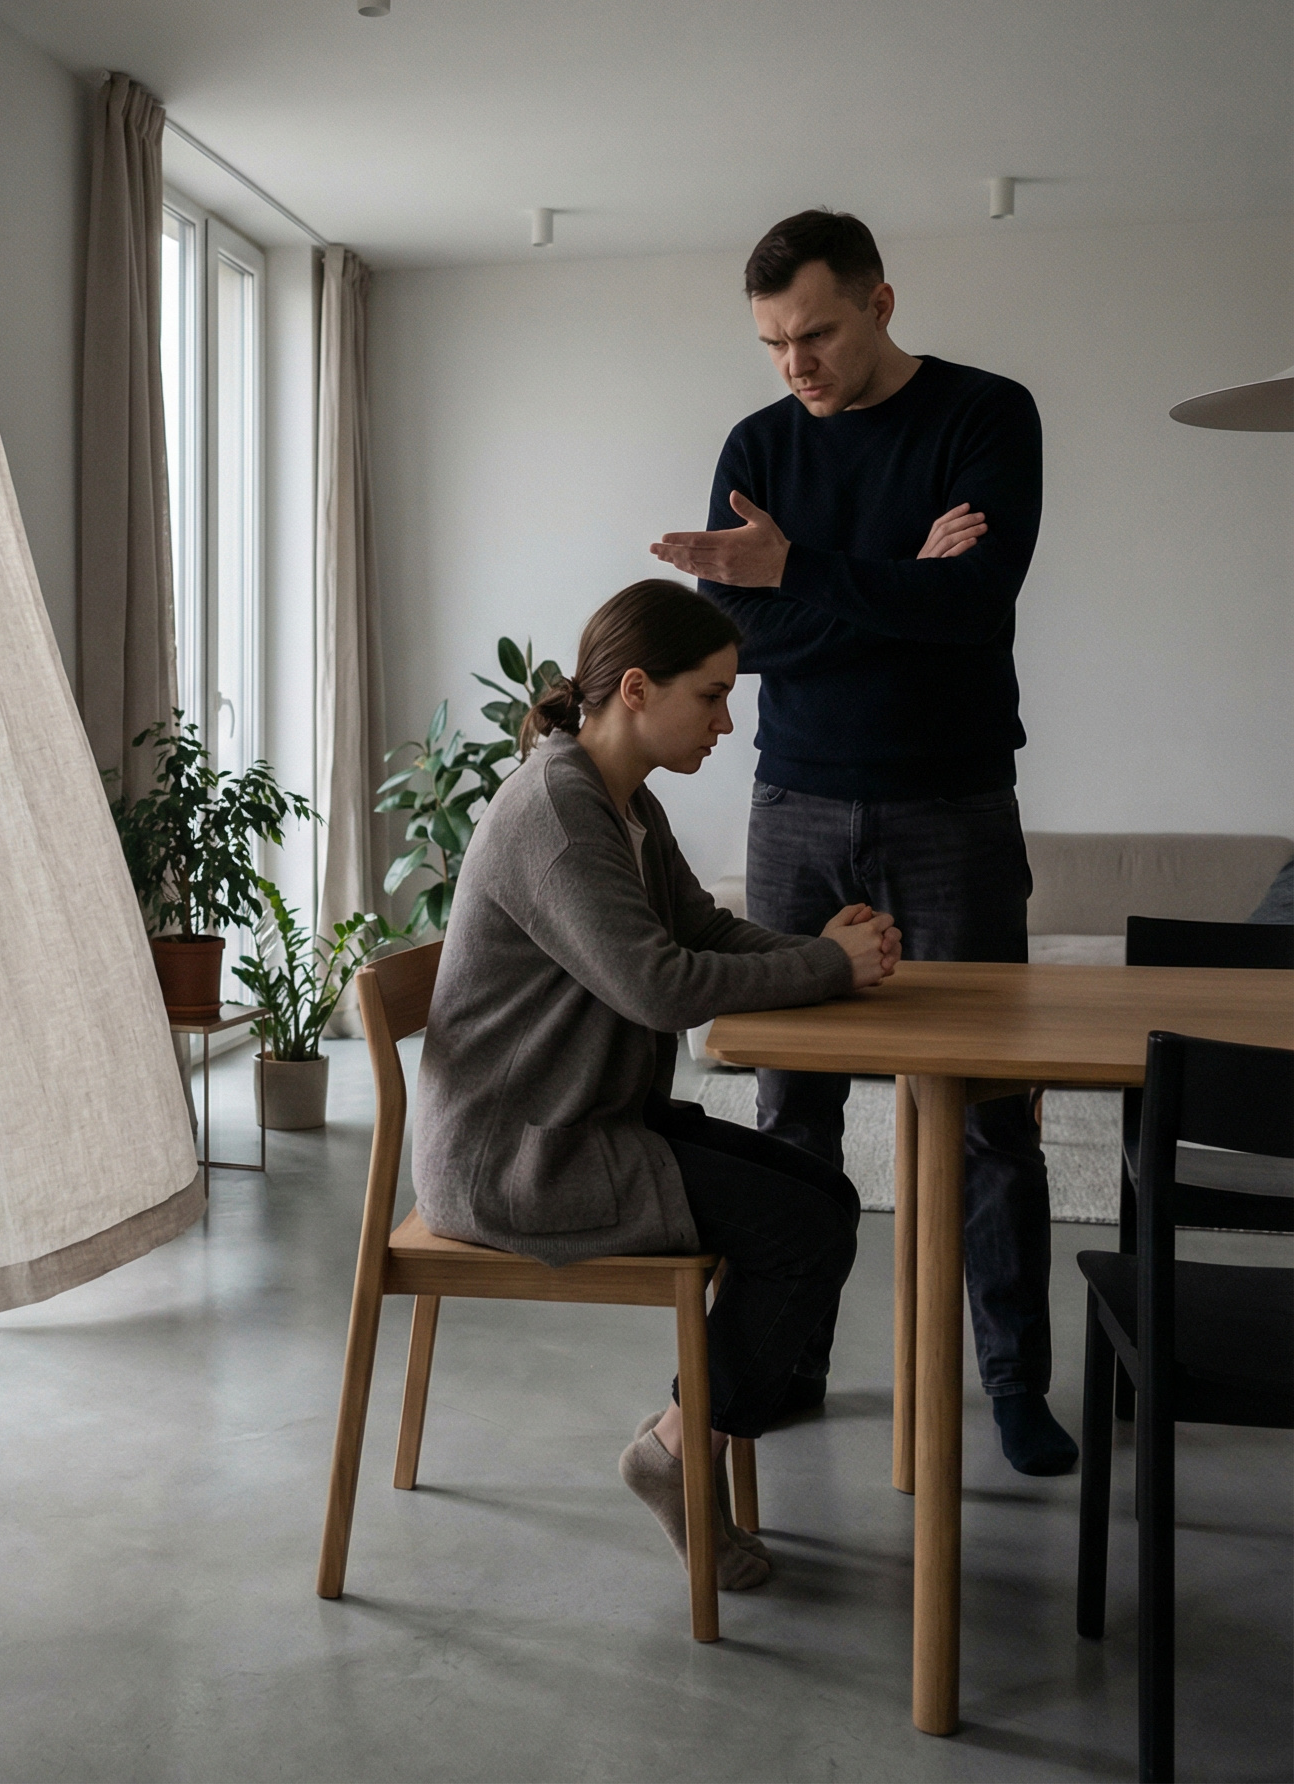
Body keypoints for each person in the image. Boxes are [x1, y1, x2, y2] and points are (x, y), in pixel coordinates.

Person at [649, 207, 1075, 1477]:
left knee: (993, 1117)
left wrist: (806, 570)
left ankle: (1010, 1384)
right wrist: (892, 575)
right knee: (793, 1111)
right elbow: (737, 645)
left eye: (816, 333)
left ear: (880, 303)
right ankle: (783, 1368)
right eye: (775, 342)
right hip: (795, 806)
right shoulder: (756, 445)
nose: (796, 366)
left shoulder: (986, 415)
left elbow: (978, 600)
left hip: (953, 806)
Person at [413, 580, 899, 1591]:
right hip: (522, 1153)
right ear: (636, 687)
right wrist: (825, 966)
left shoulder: (621, 799)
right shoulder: (556, 807)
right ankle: (675, 1452)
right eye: (711, 695)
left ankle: (687, 1441)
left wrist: (823, 952)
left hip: (584, 1118)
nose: (727, 720)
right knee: (798, 1229)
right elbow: (656, 984)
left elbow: (703, 930)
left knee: (826, 1194)